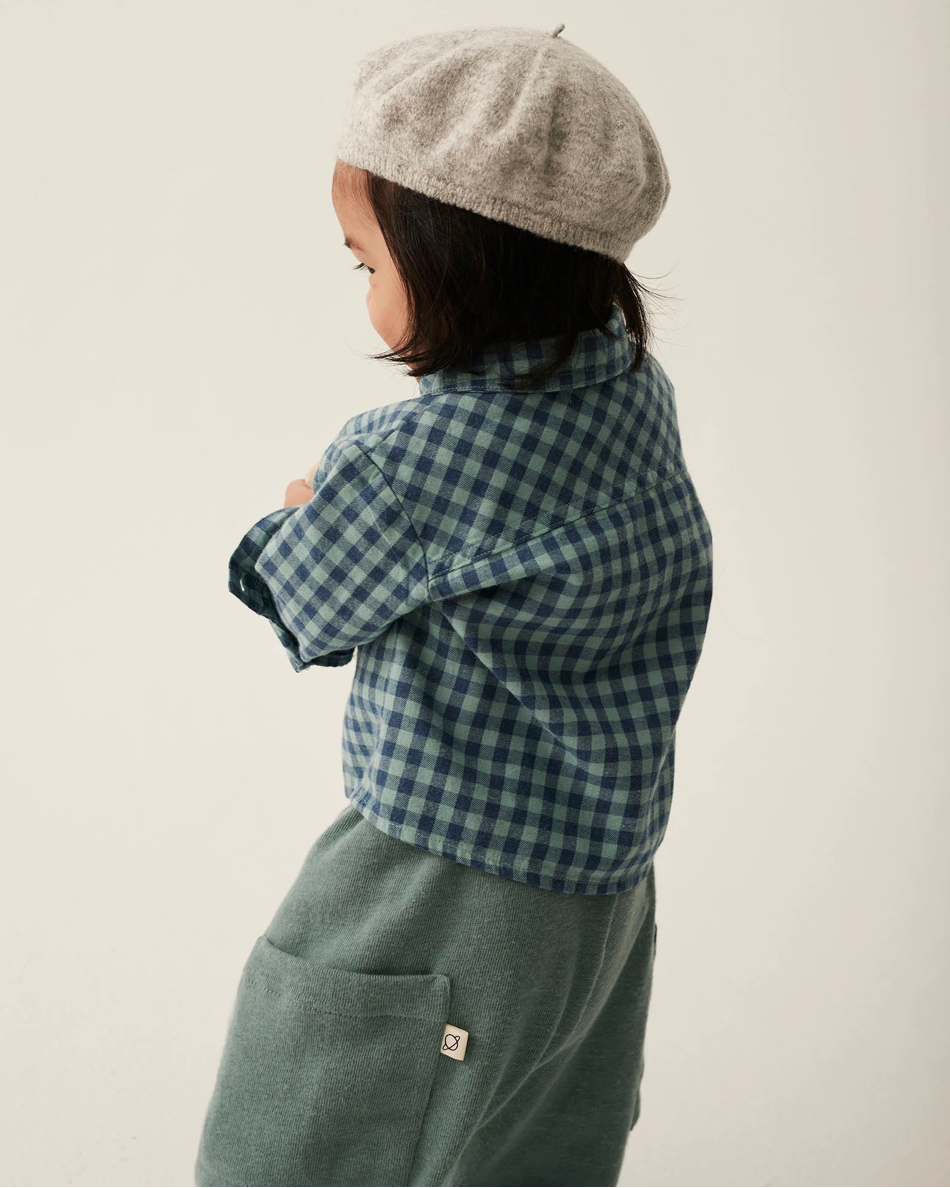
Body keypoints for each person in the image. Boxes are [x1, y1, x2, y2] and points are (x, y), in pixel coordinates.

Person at [194, 23, 713, 1188]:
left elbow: (304, 600)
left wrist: (303, 503)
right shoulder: (633, 391)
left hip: (438, 884)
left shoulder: (406, 462)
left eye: (367, 265)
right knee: (524, 1145)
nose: (366, 290)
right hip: (600, 894)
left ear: (459, 265)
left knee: (298, 1134)